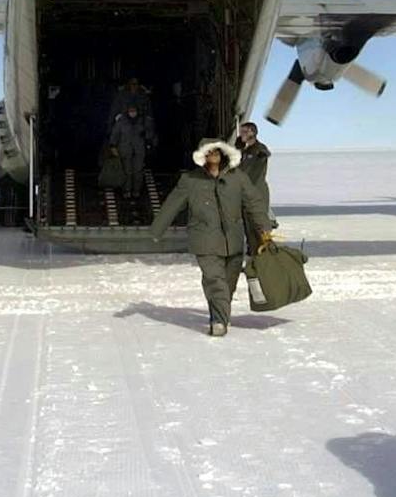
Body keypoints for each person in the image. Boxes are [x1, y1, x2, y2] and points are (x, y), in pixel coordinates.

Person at [149, 138, 275, 336]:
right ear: (202, 156)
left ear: (224, 154)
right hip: (204, 239)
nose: (213, 155)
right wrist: (156, 231)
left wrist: (264, 229)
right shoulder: (191, 180)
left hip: (233, 240)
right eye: (209, 153)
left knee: (228, 284)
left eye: (216, 152)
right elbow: (173, 204)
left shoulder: (238, 177)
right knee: (214, 280)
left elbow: (254, 203)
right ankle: (219, 322)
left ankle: (220, 313)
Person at [107, 103, 152, 198]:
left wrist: (147, 137)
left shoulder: (144, 121)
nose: (132, 113)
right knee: (127, 171)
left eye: (134, 110)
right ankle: (126, 190)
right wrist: (113, 146)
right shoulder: (121, 122)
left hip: (139, 150)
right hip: (125, 149)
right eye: (130, 111)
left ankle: (136, 190)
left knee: (138, 171)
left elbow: (151, 134)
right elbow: (115, 134)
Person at [234, 121, 271, 206]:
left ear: (252, 133)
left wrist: (261, 153)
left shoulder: (259, 149)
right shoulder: (244, 151)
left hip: (256, 191)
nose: (241, 135)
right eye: (241, 132)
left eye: (244, 132)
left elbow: (265, 153)